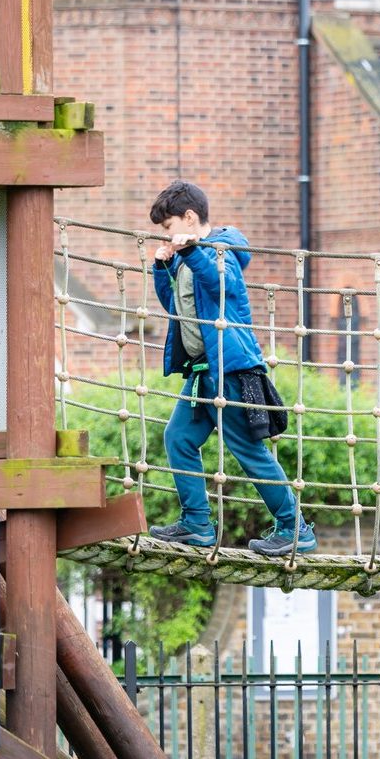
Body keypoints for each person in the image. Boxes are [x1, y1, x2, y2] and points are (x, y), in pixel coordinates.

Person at [146, 181, 316, 555]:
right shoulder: (190, 256)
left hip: (231, 371)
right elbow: (175, 306)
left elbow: (222, 285)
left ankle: (294, 528)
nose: (167, 234)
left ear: (189, 217)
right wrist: (163, 267)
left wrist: (190, 254)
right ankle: (196, 523)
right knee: (178, 439)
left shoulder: (223, 250)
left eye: (169, 226)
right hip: (201, 372)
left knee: (249, 451)